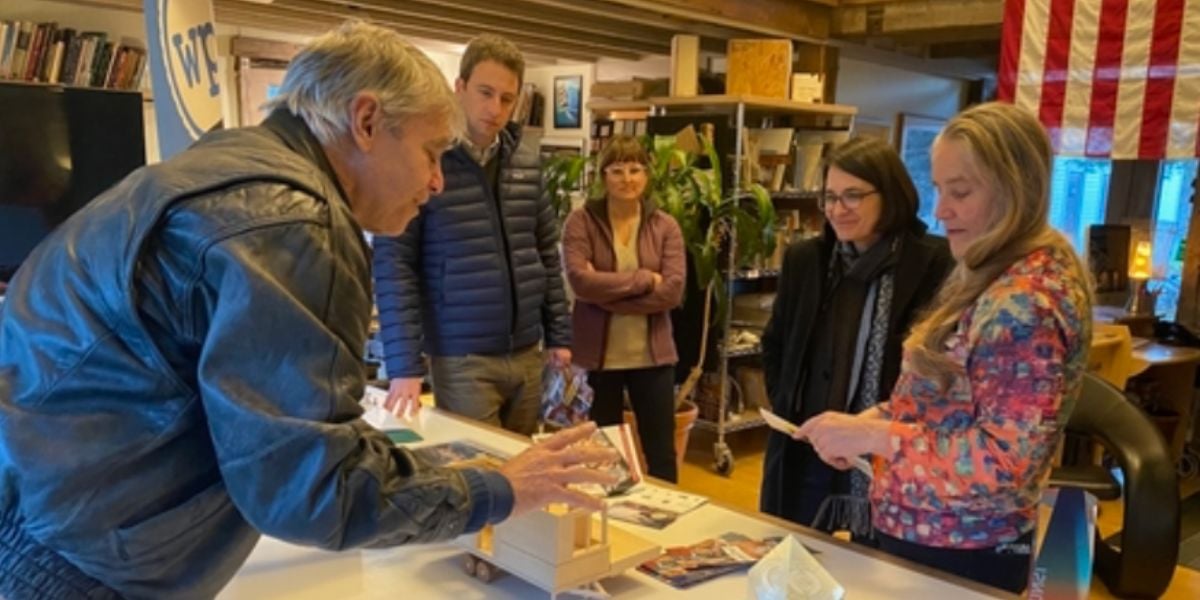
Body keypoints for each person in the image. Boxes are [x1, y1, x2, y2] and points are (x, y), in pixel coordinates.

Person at [0, 22, 616, 599]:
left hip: (47, 513)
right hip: (87, 561)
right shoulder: (296, 222)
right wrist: (498, 490)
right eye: (430, 153)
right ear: (367, 120)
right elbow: (316, 491)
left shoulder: (220, 167)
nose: (437, 182)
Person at [796, 102, 1093, 593]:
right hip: (937, 536)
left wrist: (879, 438)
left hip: (961, 547)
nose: (941, 210)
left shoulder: (1025, 304)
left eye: (960, 191)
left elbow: (1004, 465)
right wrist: (872, 421)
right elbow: (951, 399)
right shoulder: (998, 269)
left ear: (1014, 190)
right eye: (938, 189)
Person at [373, 34, 570, 436]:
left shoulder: (525, 162)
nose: (495, 109)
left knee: (528, 474)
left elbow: (546, 254)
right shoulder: (425, 160)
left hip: (526, 352)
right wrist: (404, 366)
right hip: (462, 356)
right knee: (482, 476)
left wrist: (559, 335)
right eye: (485, 93)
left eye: (506, 98)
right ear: (459, 88)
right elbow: (394, 265)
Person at [759, 137, 954, 540]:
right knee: (795, 549)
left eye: (852, 196)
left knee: (874, 566)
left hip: (884, 445)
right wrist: (787, 401)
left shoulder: (934, 261)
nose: (836, 209)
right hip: (808, 437)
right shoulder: (807, 259)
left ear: (890, 195)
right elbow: (777, 342)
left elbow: (938, 363)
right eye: (829, 197)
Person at [562, 135, 685, 483]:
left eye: (635, 169)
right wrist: (645, 279)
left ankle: (668, 518)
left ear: (647, 175)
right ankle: (611, 524)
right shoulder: (580, 222)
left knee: (660, 452)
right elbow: (580, 282)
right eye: (616, 170)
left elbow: (673, 292)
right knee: (603, 454)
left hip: (653, 359)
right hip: (599, 361)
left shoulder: (666, 226)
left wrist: (606, 294)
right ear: (603, 177)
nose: (627, 179)